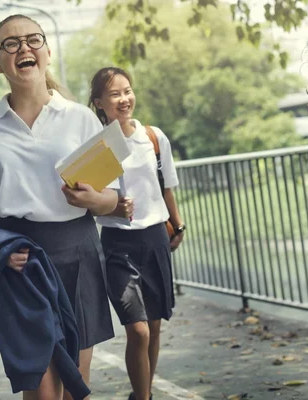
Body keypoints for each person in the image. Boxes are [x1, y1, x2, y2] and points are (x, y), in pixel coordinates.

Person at [0, 14, 118, 399]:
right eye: (11, 44)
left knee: (77, 378)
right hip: (18, 259)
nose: (23, 48)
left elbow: (114, 199)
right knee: (41, 390)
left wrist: (94, 199)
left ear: (46, 51)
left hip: (77, 248)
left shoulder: (80, 118)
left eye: (33, 40)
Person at [88, 67, 185, 400]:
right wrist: (112, 206)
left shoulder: (152, 137)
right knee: (138, 330)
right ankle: (143, 397)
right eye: (114, 94)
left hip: (155, 237)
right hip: (118, 244)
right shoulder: (98, 144)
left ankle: (142, 392)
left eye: (127, 91)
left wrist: (177, 223)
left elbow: (166, 186)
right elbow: (87, 198)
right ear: (99, 102)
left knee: (154, 328)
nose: (124, 99)